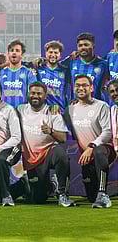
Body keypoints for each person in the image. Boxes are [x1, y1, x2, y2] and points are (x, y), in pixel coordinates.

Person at [17, 82, 74, 206]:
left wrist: (51, 131)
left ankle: (62, 192)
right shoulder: (20, 109)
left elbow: (63, 138)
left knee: (60, 153)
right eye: (32, 93)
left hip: (48, 154)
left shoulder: (52, 112)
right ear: (28, 94)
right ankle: (48, 185)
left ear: (45, 96)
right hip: (31, 159)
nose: (35, 96)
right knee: (38, 199)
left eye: (39, 93)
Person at [64, 75, 114, 208]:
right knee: (91, 197)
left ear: (91, 88)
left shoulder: (101, 106)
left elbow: (108, 132)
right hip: (86, 157)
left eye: (84, 85)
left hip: (103, 150)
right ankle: (103, 192)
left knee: (99, 151)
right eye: (78, 85)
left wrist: (92, 146)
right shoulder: (71, 108)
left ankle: (103, 194)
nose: (81, 88)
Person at [61, 33, 108, 102]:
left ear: (93, 46)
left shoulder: (103, 64)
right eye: (80, 45)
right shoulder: (71, 62)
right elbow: (52, 67)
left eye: (86, 45)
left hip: (96, 106)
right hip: (76, 106)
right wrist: (42, 61)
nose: (83, 47)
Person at [0, 39, 37, 108]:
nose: (14, 53)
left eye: (17, 50)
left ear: (22, 55)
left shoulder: (29, 73)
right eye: (12, 50)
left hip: (22, 112)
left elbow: (33, 93)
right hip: (5, 112)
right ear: (8, 54)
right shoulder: (0, 73)